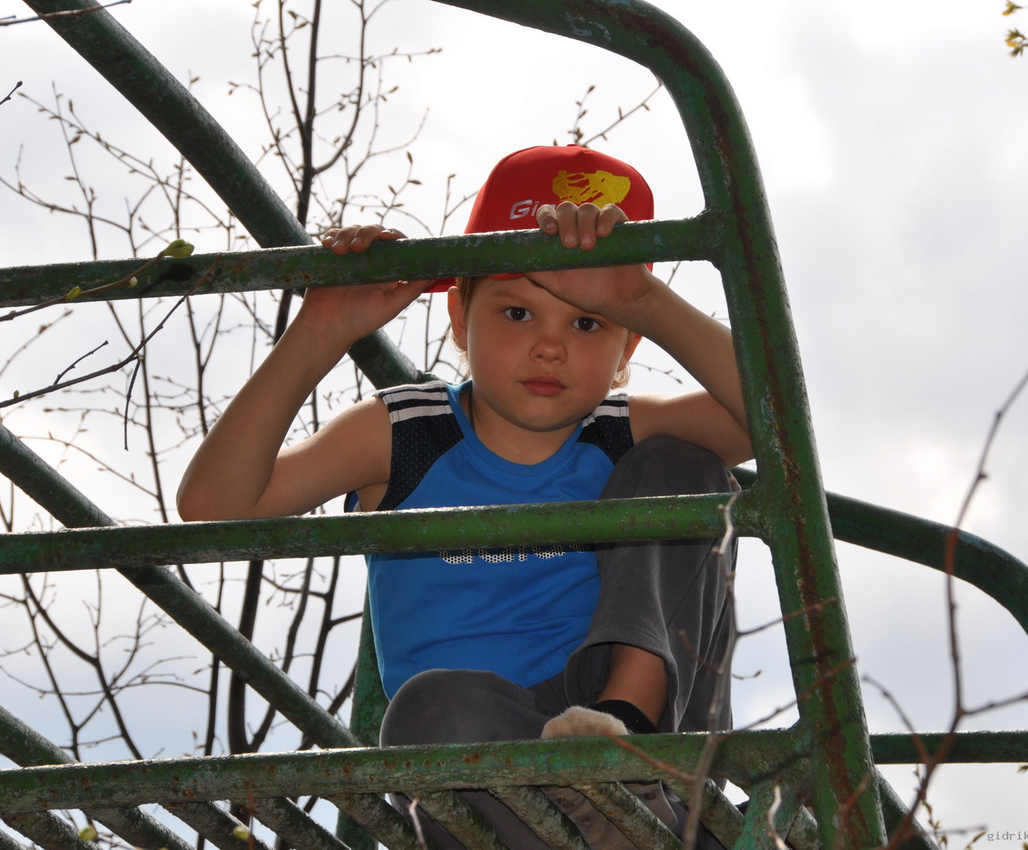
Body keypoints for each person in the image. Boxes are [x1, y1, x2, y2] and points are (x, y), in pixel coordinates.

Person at [177, 144, 754, 849]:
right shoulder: (406, 433)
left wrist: (645, 300)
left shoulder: (620, 434)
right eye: (517, 313)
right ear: (459, 316)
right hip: (488, 751)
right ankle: (612, 817)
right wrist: (322, 328)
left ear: (627, 347)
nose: (550, 347)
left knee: (683, 466)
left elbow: (774, 422)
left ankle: (623, 755)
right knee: (428, 709)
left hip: (620, 724)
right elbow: (213, 506)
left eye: (587, 321)